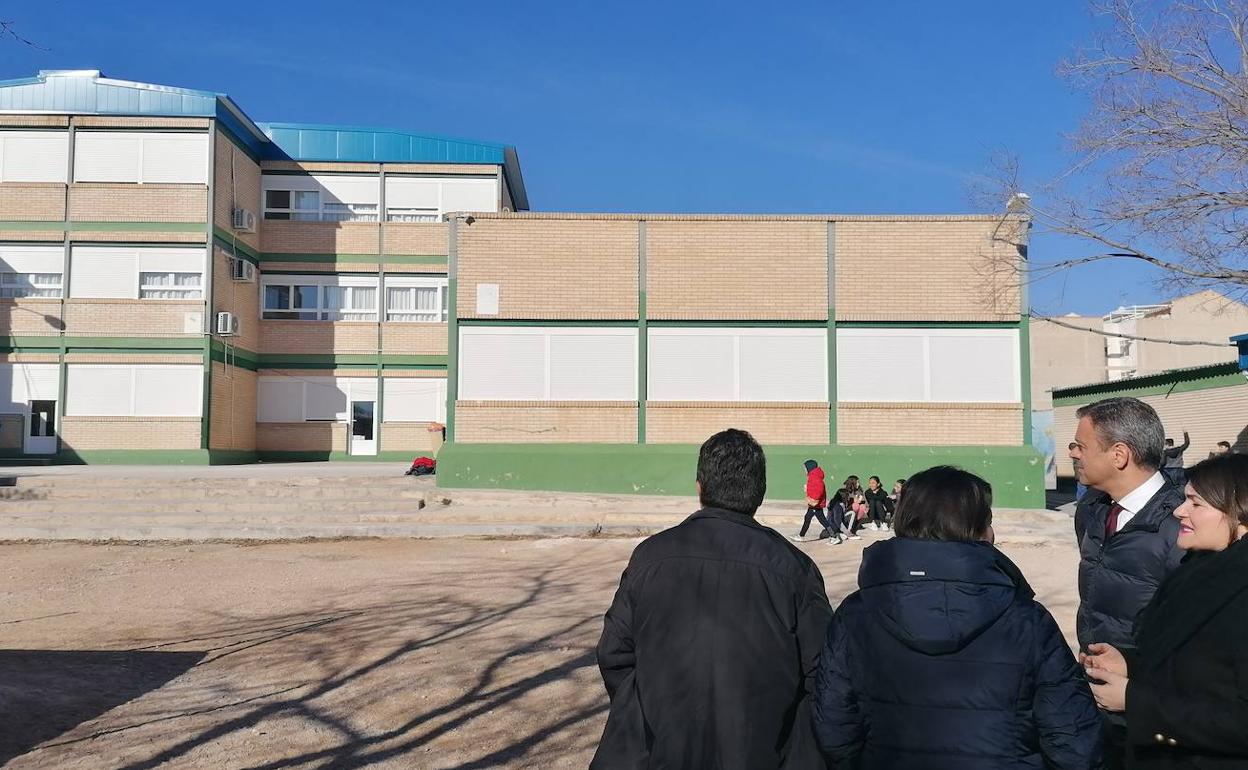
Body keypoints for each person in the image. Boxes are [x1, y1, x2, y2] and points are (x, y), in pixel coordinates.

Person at [813, 465, 1103, 769]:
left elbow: (834, 730)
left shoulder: (855, 615)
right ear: (977, 530)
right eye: (988, 521)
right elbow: (1075, 742)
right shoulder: (1027, 621)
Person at [593, 429, 832, 769]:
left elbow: (614, 653)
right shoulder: (795, 568)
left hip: (660, 753)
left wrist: (653, 717)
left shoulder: (649, 557)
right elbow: (824, 672)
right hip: (762, 753)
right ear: (760, 492)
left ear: (699, 487)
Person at [1083, 454, 1248, 768]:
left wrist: (1135, 702)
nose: (1179, 511)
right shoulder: (1198, 569)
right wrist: (1130, 663)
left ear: (1240, 514)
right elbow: (1200, 671)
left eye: (1195, 504)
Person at [1069, 397, 1184, 769]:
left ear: (1119, 454)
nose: (1072, 453)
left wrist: (1138, 686)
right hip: (1097, 699)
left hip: (1155, 709)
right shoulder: (1090, 510)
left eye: (1080, 446)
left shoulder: (1183, 525)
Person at [792, 459, 833, 542]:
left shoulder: (815, 477)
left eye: (805, 468)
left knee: (822, 521)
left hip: (815, 504)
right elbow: (814, 488)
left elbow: (818, 489)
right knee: (808, 518)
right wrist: (807, 490)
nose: (804, 470)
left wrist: (812, 499)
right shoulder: (813, 476)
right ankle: (801, 535)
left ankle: (834, 536)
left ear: (810, 468)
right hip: (814, 503)